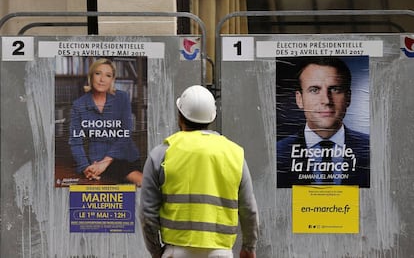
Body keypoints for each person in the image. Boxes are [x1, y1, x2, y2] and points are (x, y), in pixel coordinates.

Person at [139, 85, 259, 258]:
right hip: (220, 252)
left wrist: (156, 251)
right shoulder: (234, 153)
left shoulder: (162, 153)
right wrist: (249, 246)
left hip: (176, 250)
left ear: (180, 116)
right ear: (212, 117)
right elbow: (249, 209)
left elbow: (147, 214)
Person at [277, 57, 370, 188]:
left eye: (335, 89)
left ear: (348, 98)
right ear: (299, 99)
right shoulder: (277, 153)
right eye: (314, 90)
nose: (326, 100)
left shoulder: (372, 149)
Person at [68, 58, 142, 185]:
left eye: (108, 75)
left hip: (126, 156)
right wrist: (85, 168)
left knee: (142, 184)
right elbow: (75, 142)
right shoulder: (78, 105)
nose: (102, 79)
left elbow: (125, 134)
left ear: (112, 80)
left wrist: (106, 162)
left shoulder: (122, 98)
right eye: (98, 74)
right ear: (91, 76)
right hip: (98, 162)